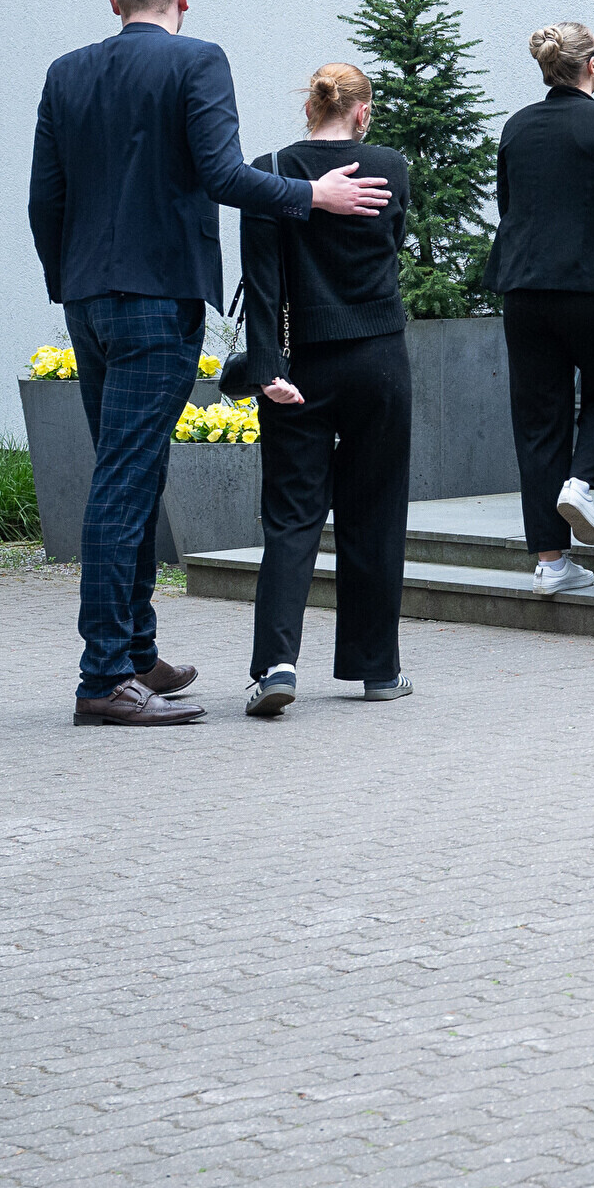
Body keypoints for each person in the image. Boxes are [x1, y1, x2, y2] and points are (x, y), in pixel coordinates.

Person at [29, 0, 390, 728]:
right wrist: (313, 197)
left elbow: (43, 199)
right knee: (124, 478)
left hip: (88, 299)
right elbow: (223, 176)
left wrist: (70, 283)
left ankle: (135, 651)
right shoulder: (198, 61)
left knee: (134, 469)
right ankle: (102, 678)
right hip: (157, 296)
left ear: (115, 1)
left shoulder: (65, 73)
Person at [232, 64, 414, 718]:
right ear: (362, 112)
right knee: (375, 513)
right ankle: (377, 669)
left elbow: (261, 281)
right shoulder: (389, 168)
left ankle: (277, 666)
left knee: (291, 516)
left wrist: (265, 367)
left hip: (299, 369)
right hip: (379, 361)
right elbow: (391, 243)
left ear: (309, 108)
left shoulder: (271, 170)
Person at [488, 22, 594, 598]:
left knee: (539, 422)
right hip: (592, 285)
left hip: (524, 289)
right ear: (592, 65)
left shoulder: (517, 125)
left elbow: (509, 205)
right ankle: (581, 484)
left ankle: (551, 563)